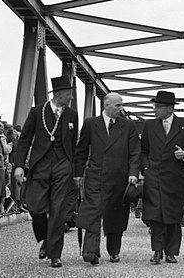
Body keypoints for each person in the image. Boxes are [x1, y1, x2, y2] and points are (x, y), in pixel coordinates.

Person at [14, 76, 78, 268]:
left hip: (62, 165)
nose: (71, 98)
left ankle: (55, 253)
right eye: (69, 94)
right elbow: (24, 140)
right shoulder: (37, 112)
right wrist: (18, 166)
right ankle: (44, 238)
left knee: (58, 209)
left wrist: (73, 168)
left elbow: (73, 144)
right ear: (59, 94)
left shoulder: (72, 115)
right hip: (41, 164)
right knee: (35, 206)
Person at [74, 93, 140, 265]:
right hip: (96, 176)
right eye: (117, 105)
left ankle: (114, 250)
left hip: (120, 178)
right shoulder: (90, 124)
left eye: (121, 105)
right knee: (93, 211)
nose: (121, 109)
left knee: (116, 214)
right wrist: (78, 174)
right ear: (106, 105)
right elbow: (81, 151)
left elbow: (135, 152)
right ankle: (90, 251)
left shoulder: (128, 126)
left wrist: (133, 173)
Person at [140, 90, 184, 265]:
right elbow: (143, 151)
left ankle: (171, 252)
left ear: (169, 108)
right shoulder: (149, 125)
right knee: (156, 215)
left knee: (174, 216)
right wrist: (145, 169)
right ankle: (157, 251)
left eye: (157, 106)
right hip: (155, 177)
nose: (154, 110)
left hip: (176, 177)